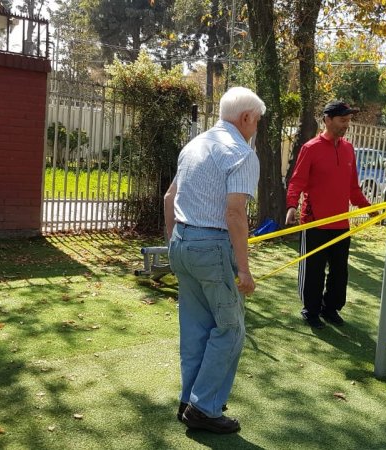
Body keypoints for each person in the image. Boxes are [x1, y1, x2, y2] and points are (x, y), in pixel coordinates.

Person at [164, 87, 265, 432]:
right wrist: (246, 270)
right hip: (212, 247)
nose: (256, 128)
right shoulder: (241, 153)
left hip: (181, 242)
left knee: (195, 329)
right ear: (247, 117)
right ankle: (203, 407)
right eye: (257, 122)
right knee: (231, 329)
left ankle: (189, 399)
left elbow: (169, 197)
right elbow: (235, 214)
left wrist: (174, 244)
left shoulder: (194, 145)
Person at [285, 100, 372, 329]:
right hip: (315, 222)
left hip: (341, 223)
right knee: (313, 270)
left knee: (339, 272)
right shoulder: (310, 148)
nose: (347, 124)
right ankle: (310, 310)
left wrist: (368, 207)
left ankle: (330, 308)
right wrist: (291, 205)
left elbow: (353, 187)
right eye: (342, 120)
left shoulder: (348, 149)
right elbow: (297, 181)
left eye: (348, 120)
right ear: (327, 120)